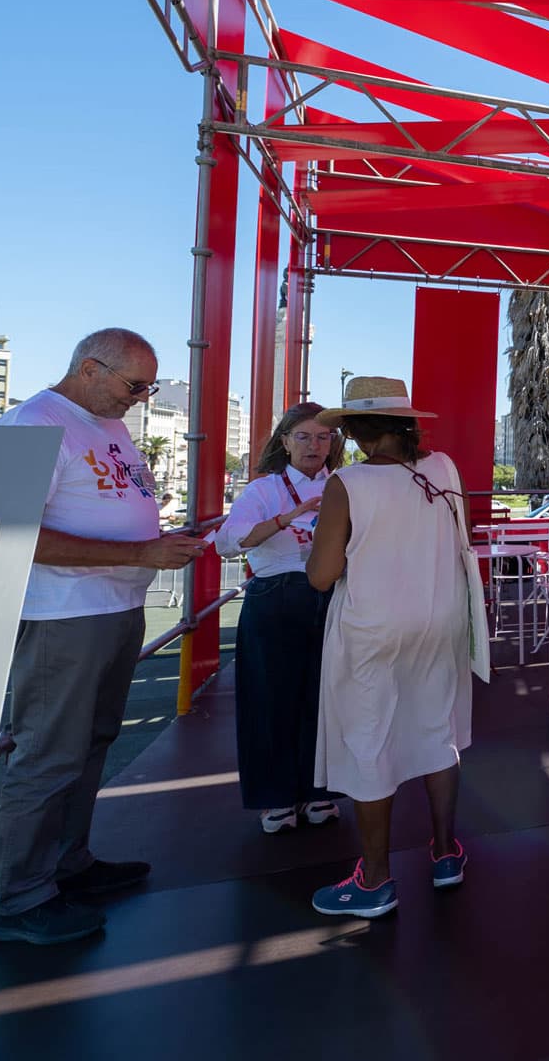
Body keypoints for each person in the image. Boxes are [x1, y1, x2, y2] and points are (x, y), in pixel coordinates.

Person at [0, 328, 209, 945]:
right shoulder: (34, 425)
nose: (142, 398)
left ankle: (66, 864)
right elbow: (14, 534)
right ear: (89, 368)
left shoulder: (104, 423)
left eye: (149, 387)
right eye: (134, 385)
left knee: (90, 744)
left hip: (114, 605)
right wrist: (142, 548)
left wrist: (153, 545)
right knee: (47, 753)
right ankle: (22, 898)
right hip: (63, 614)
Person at [304, 377, 473, 918]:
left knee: (368, 737)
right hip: (440, 620)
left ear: (354, 430)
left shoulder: (348, 483)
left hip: (373, 628)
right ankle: (445, 852)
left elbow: (322, 576)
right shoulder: (443, 469)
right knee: (437, 727)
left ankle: (375, 880)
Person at [215, 402, 345, 834]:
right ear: (284, 441)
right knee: (269, 699)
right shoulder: (262, 490)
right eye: (303, 436)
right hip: (274, 596)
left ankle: (320, 791)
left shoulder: (345, 485)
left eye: (323, 437)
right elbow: (229, 545)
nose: (314, 445)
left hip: (331, 596)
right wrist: (286, 518)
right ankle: (276, 798)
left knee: (326, 697)